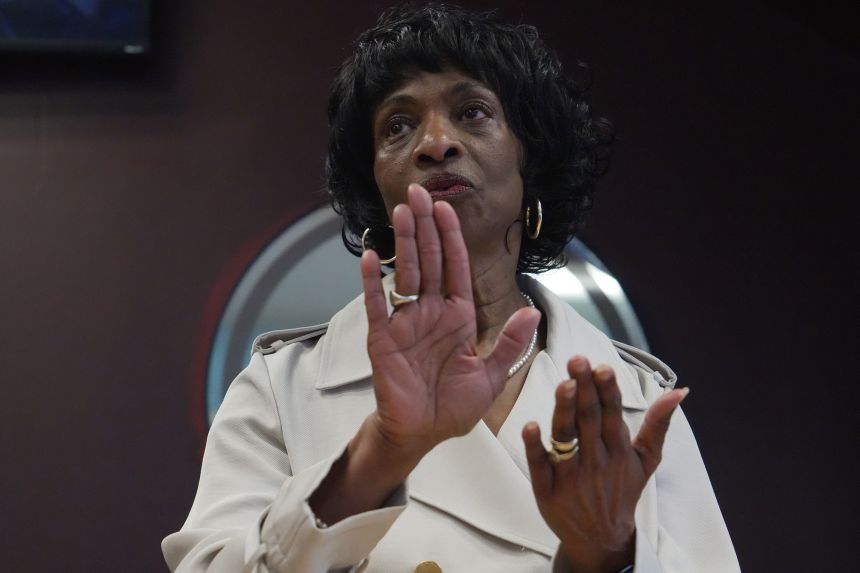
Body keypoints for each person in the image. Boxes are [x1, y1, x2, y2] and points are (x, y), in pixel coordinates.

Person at [163, 5, 739, 572]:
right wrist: (383, 451)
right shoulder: (283, 388)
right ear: (376, 185)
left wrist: (606, 556)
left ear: (529, 158)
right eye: (398, 125)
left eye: (472, 112)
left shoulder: (633, 399)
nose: (436, 142)